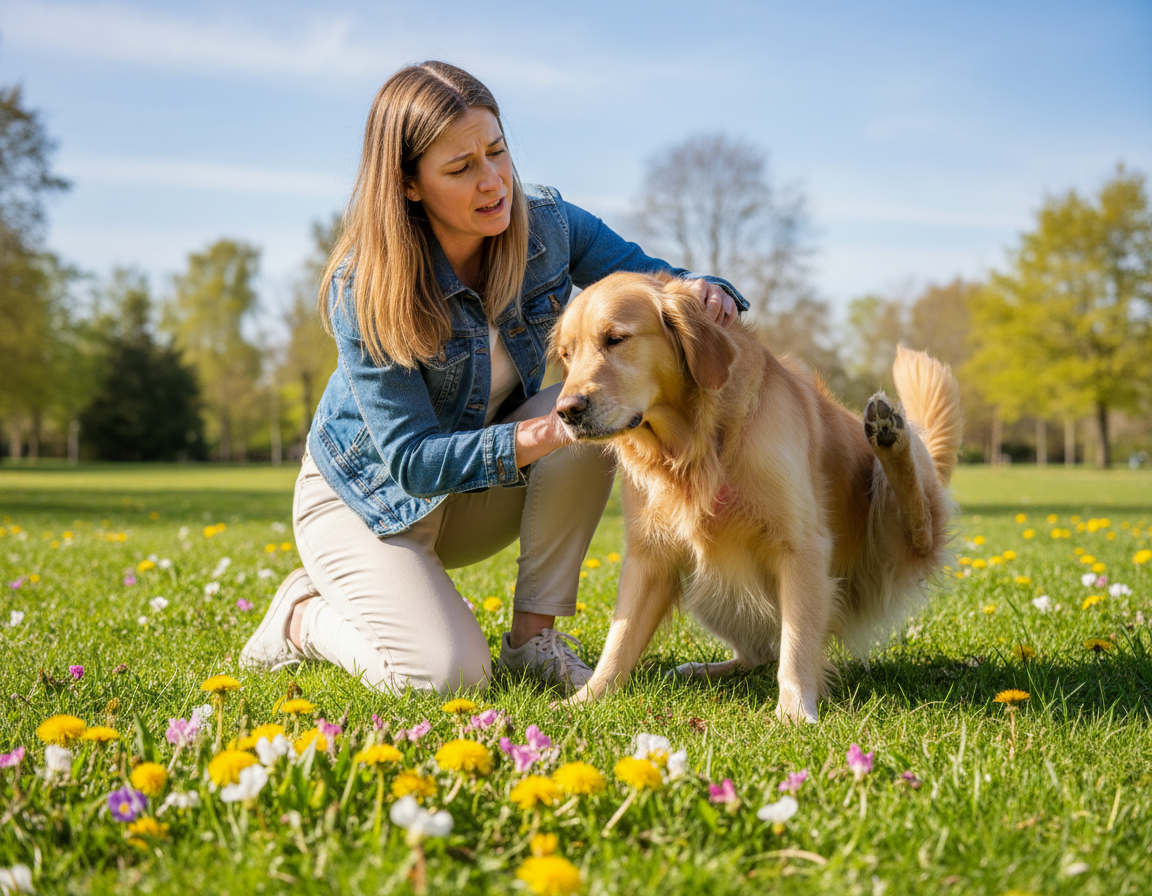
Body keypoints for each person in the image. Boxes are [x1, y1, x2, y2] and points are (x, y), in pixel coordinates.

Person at [240, 61, 745, 695]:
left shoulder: (550, 228)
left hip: (471, 494)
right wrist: (543, 436)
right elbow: (412, 462)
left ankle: (535, 640)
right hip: (369, 502)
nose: (493, 182)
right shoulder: (365, 288)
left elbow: (664, 283)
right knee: (445, 674)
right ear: (408, 185)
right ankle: (302, 618)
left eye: (497, 152)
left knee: (599, 411)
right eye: (460, 169)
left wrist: (709, 291)